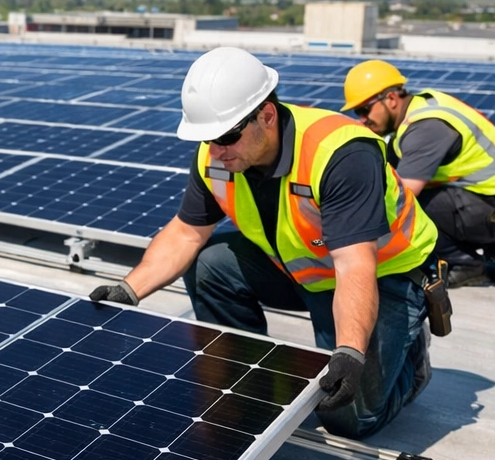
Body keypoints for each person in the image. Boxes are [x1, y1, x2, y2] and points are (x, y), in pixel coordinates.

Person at [88, 47, 439, 439]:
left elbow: (354, 264)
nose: (215, 151)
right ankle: (249, 372)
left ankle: (409, 360)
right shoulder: (216, 157)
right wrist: (128, 290)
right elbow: (187, 232)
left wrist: (350, 353)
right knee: (208, 263)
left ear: (267, 117)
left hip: (384, 275)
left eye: (225, 137)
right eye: (207, 139)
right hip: (305, 270)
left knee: (346, 414)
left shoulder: (340, 154)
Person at [343, 59, 495, 287]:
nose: (362, 118)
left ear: (391, 99)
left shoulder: (425, 128)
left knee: (410, 208)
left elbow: (399, 198)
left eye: (364, 109)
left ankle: (465, 265)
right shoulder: (423, 105)